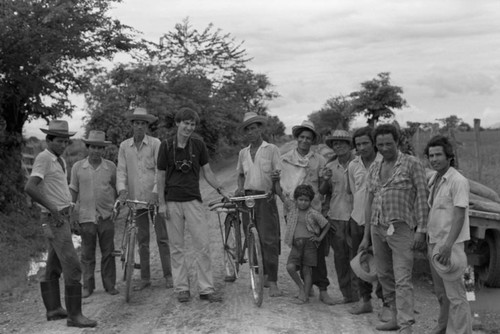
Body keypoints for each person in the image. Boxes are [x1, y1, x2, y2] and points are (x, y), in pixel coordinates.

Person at [24, 120, 97, 328]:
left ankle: (54, 309)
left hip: (62, 216)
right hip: (54, 219)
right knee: (73, 267)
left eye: (66, 141)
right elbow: (30, 187)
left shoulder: (58, 160)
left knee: (54, 265)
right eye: (59, 141)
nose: (63, 144)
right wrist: (53, 210)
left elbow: (58, 188)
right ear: (48, 140)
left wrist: (68, 209)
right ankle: (75, 316)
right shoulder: (44, 158)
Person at [359, 123, 428, 334]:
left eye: (389, 143)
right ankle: (395, 317)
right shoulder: (374, 168)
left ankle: (406, 325)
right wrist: (366, 235)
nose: (384, 148)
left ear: (397, 142)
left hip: (401, 229)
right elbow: (370, 200)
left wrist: (421, 230)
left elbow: (423, 197)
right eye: (380, 144)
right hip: (377, 228)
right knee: (384, 275)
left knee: (402, 278)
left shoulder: (411, 164)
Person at [157, 107, 229, 303]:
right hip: (172, 201)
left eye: (192, 124)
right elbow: (160, 176)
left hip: (193, 200)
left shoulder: (198, 145)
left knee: (203, 245)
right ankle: (182, 288)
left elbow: (207, 172)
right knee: (176, 247)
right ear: (177, 123)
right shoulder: (165, 146)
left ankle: (206, 289)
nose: (189, 127)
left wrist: (222, 190)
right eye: (185, 123)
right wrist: (161, 203)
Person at [277, 120, 336, 304]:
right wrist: (285, 200)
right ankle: (306, 287)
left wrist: (325, 180)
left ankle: (323, 289)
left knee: (316, 250)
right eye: (302, 137)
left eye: (308, 138)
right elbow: (278, 184)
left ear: (313, 140)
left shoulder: (319, 160)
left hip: (314, 212)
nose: (304, 140)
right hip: (293, 211)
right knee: (299, 248)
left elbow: (325, 188)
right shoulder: (285, 159)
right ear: (297, 138)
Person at [116, 107, 172, 291]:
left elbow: (160, 170)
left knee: (162, 238)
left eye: (143, 123)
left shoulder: (156, 144)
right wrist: (122, 190)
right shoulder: (125, 146)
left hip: (154, 199)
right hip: (136, 200)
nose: (139, 127)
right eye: (136, 123)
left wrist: (157, 191)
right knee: (142, 240)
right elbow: (121, 171)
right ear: (132, 125)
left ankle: (168, 275)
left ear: (147, 126)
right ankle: (145, 278)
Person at [425, 135, 472, 334]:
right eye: (430, 155)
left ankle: (462, 331)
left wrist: (448, 245)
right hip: (434, 243)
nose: (434, 159)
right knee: (441, 293)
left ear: (449, 157)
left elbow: (460, 216)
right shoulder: (434, 179)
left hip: (451, 246)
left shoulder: (458, 181)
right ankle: (443, 327)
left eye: (438, 155)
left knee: (458, 295)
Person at [236, 111, 282, 297]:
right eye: (247, 130)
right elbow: (240, 175)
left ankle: (273, 282)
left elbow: (278, 174)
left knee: (269, 240)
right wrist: (239, 188)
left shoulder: (271, 149)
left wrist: (275, 187)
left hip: (265, 198)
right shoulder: (243, 153)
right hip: (248, 199)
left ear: (260, 129)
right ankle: (259, 275)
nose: (250, 132)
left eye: (253, 128)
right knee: (251, 238)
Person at [69, 130, 119, 298]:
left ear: (103, 149)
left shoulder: (110, 167)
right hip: (86, 216)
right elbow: (73, 191)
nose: (96, 150)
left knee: (108, 252)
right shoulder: (78, 167)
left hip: (106, 215)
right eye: (93, 147)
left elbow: (118, 188)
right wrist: (71, 214)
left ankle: (110, 284)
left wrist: (117, 207)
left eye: (99, 147)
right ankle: (87, 286)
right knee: (87, 254)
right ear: (88, 147)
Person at [347, 127, 389, 317]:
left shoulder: (385, 162)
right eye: (358, 145)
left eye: (365, 143)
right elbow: (353, 191)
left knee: (383, 262)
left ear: (373, 143)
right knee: (361, 262)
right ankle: (365, 301)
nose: (362, 147)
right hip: (358, 219)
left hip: (381, 221)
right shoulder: (353, 165)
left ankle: (387, 305)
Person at [319, 128, 358, 304]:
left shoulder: (359, 164)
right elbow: (323, 192)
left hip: (356, 217)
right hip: (336, 217)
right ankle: (347, 295)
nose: (339, 146)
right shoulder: (329, 167)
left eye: (342, 142)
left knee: (356, 256)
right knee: (340, 257)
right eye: (335, 143)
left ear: (350, 145)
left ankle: (360, 295)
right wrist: (325, 180)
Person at [282, 184, 330, 304]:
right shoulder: (293, 209)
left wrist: (319, 238)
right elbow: (280, 195)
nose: (303, 203)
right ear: (296, 200)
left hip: (310, 245)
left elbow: (326, 224)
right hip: (296, 245)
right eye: (300, 200)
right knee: (290, 267)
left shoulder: (313, 213)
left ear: (310, 201)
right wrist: (276, 181)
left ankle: (305, 297)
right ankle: (302, 288)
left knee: (307, 270)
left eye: (306, 200)